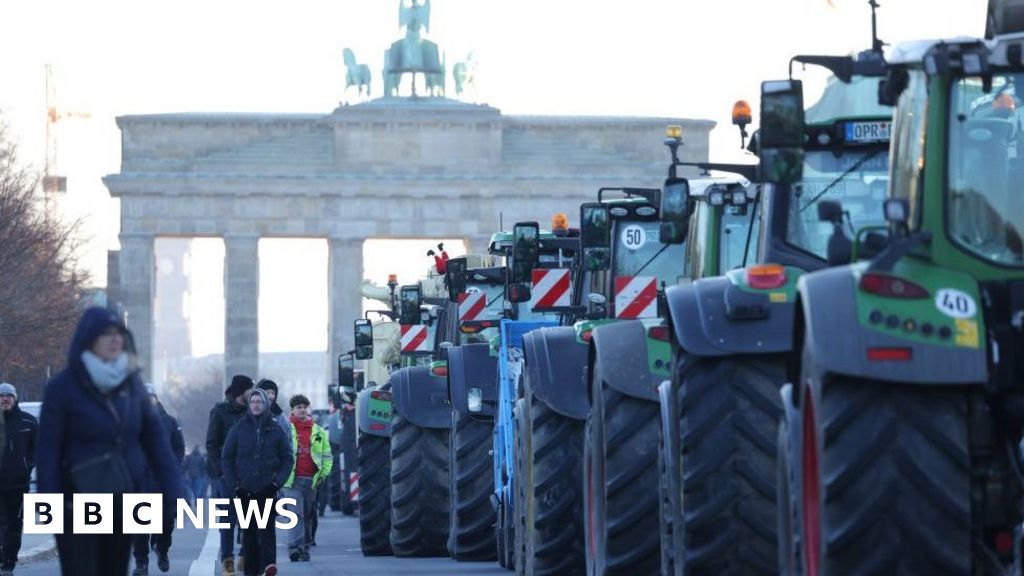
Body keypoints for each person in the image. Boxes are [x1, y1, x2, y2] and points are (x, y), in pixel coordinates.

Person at [36, 307, 182, 576]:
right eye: (107, 334)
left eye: (119, 334)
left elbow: (156, 442)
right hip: (76, 499)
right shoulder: (62, 387)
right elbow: (47, 449)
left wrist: (174, 487)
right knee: (80, 570)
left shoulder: (132, 385)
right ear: (89, 338)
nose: (116, 340)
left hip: (122, 495)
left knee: (113, 570)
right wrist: (50, 502)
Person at [222, 388, 292, 576]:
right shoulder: (239, 428)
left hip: (267, 489)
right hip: (245, 490)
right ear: (249, 405)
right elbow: (227, 458)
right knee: (249, 534)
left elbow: (287, 459)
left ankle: (269, 565)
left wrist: (277, 483)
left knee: (267, 530)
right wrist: (235, 485)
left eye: (259, 402)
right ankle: (252, 571)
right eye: (252, 402)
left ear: (265, 404)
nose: (255, 405)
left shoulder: (275, 429)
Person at [132, 384, 185, 576]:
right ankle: (141, 563)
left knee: (166, 522)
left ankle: (162, 549)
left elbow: (179, 448)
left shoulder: (169, 422)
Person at [206, 375, 254, 576]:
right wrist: (221, 472)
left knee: (250, 518)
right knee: (227, 520)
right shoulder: (220, 412)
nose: (253, 392)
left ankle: (245, 552)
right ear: (242, 391)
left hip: (249, 474)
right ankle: (227, 561)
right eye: (250, 388)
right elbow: (212, 443)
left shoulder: (254, 410)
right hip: (226, 475)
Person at [282, 395, 332, 562]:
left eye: (304, 407)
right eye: (298, 407)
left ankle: (304, 547)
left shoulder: (317, 431)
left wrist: (323, 475)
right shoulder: (286, 430)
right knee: (296, 514)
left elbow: (326, 455)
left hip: (311, 480)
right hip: (291, 480)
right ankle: (294, 547)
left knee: (308, 514)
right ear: (292, 411)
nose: (302, 410)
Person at [0, 383, 37, 576]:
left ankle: (8, 563)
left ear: (15, 399)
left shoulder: (28, 421)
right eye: (1, 396)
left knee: (14, 524)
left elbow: (37, 449)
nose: (5, 399)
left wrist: (27, 466)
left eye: (9, 395)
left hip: (17, 484)